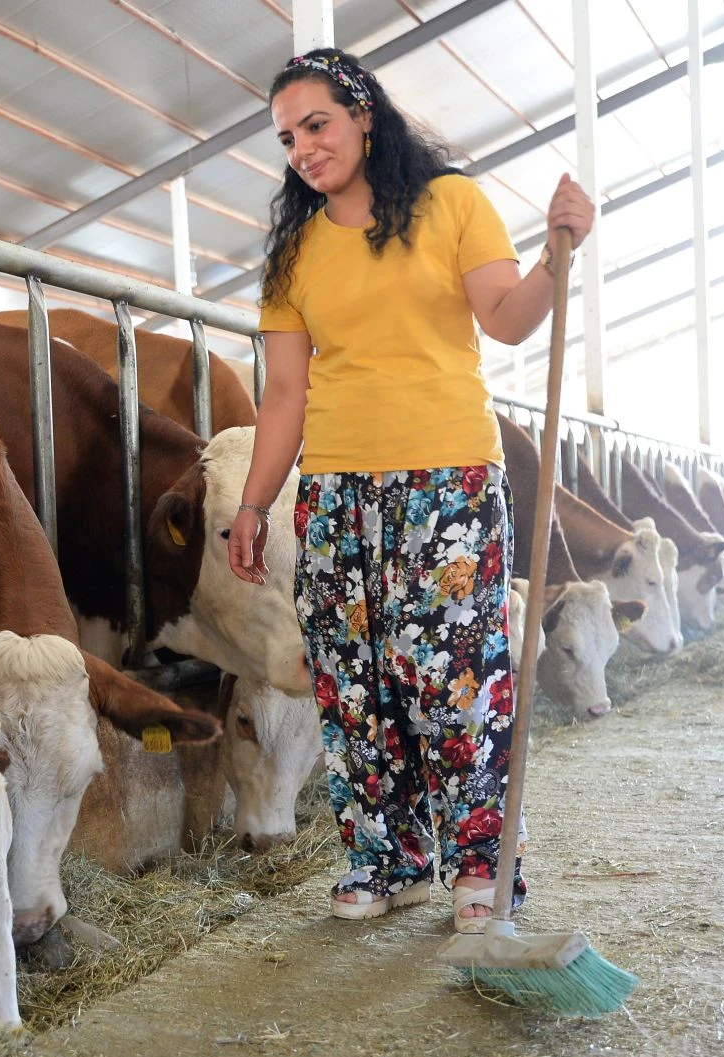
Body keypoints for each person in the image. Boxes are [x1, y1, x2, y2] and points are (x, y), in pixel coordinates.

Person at [227, 48, 594, 934]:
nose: (303, 149)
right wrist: (252, 503)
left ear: (364, 114)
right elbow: (285, 395)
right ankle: (387, 857)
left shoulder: (452, 204)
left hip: (448, 482)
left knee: (454, 678)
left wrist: (557, 256)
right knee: (353, 684)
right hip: (335, 492)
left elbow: (507, 319)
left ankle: (482, 863)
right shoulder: (294, 251)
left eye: (316, 124)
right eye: (287, 138)